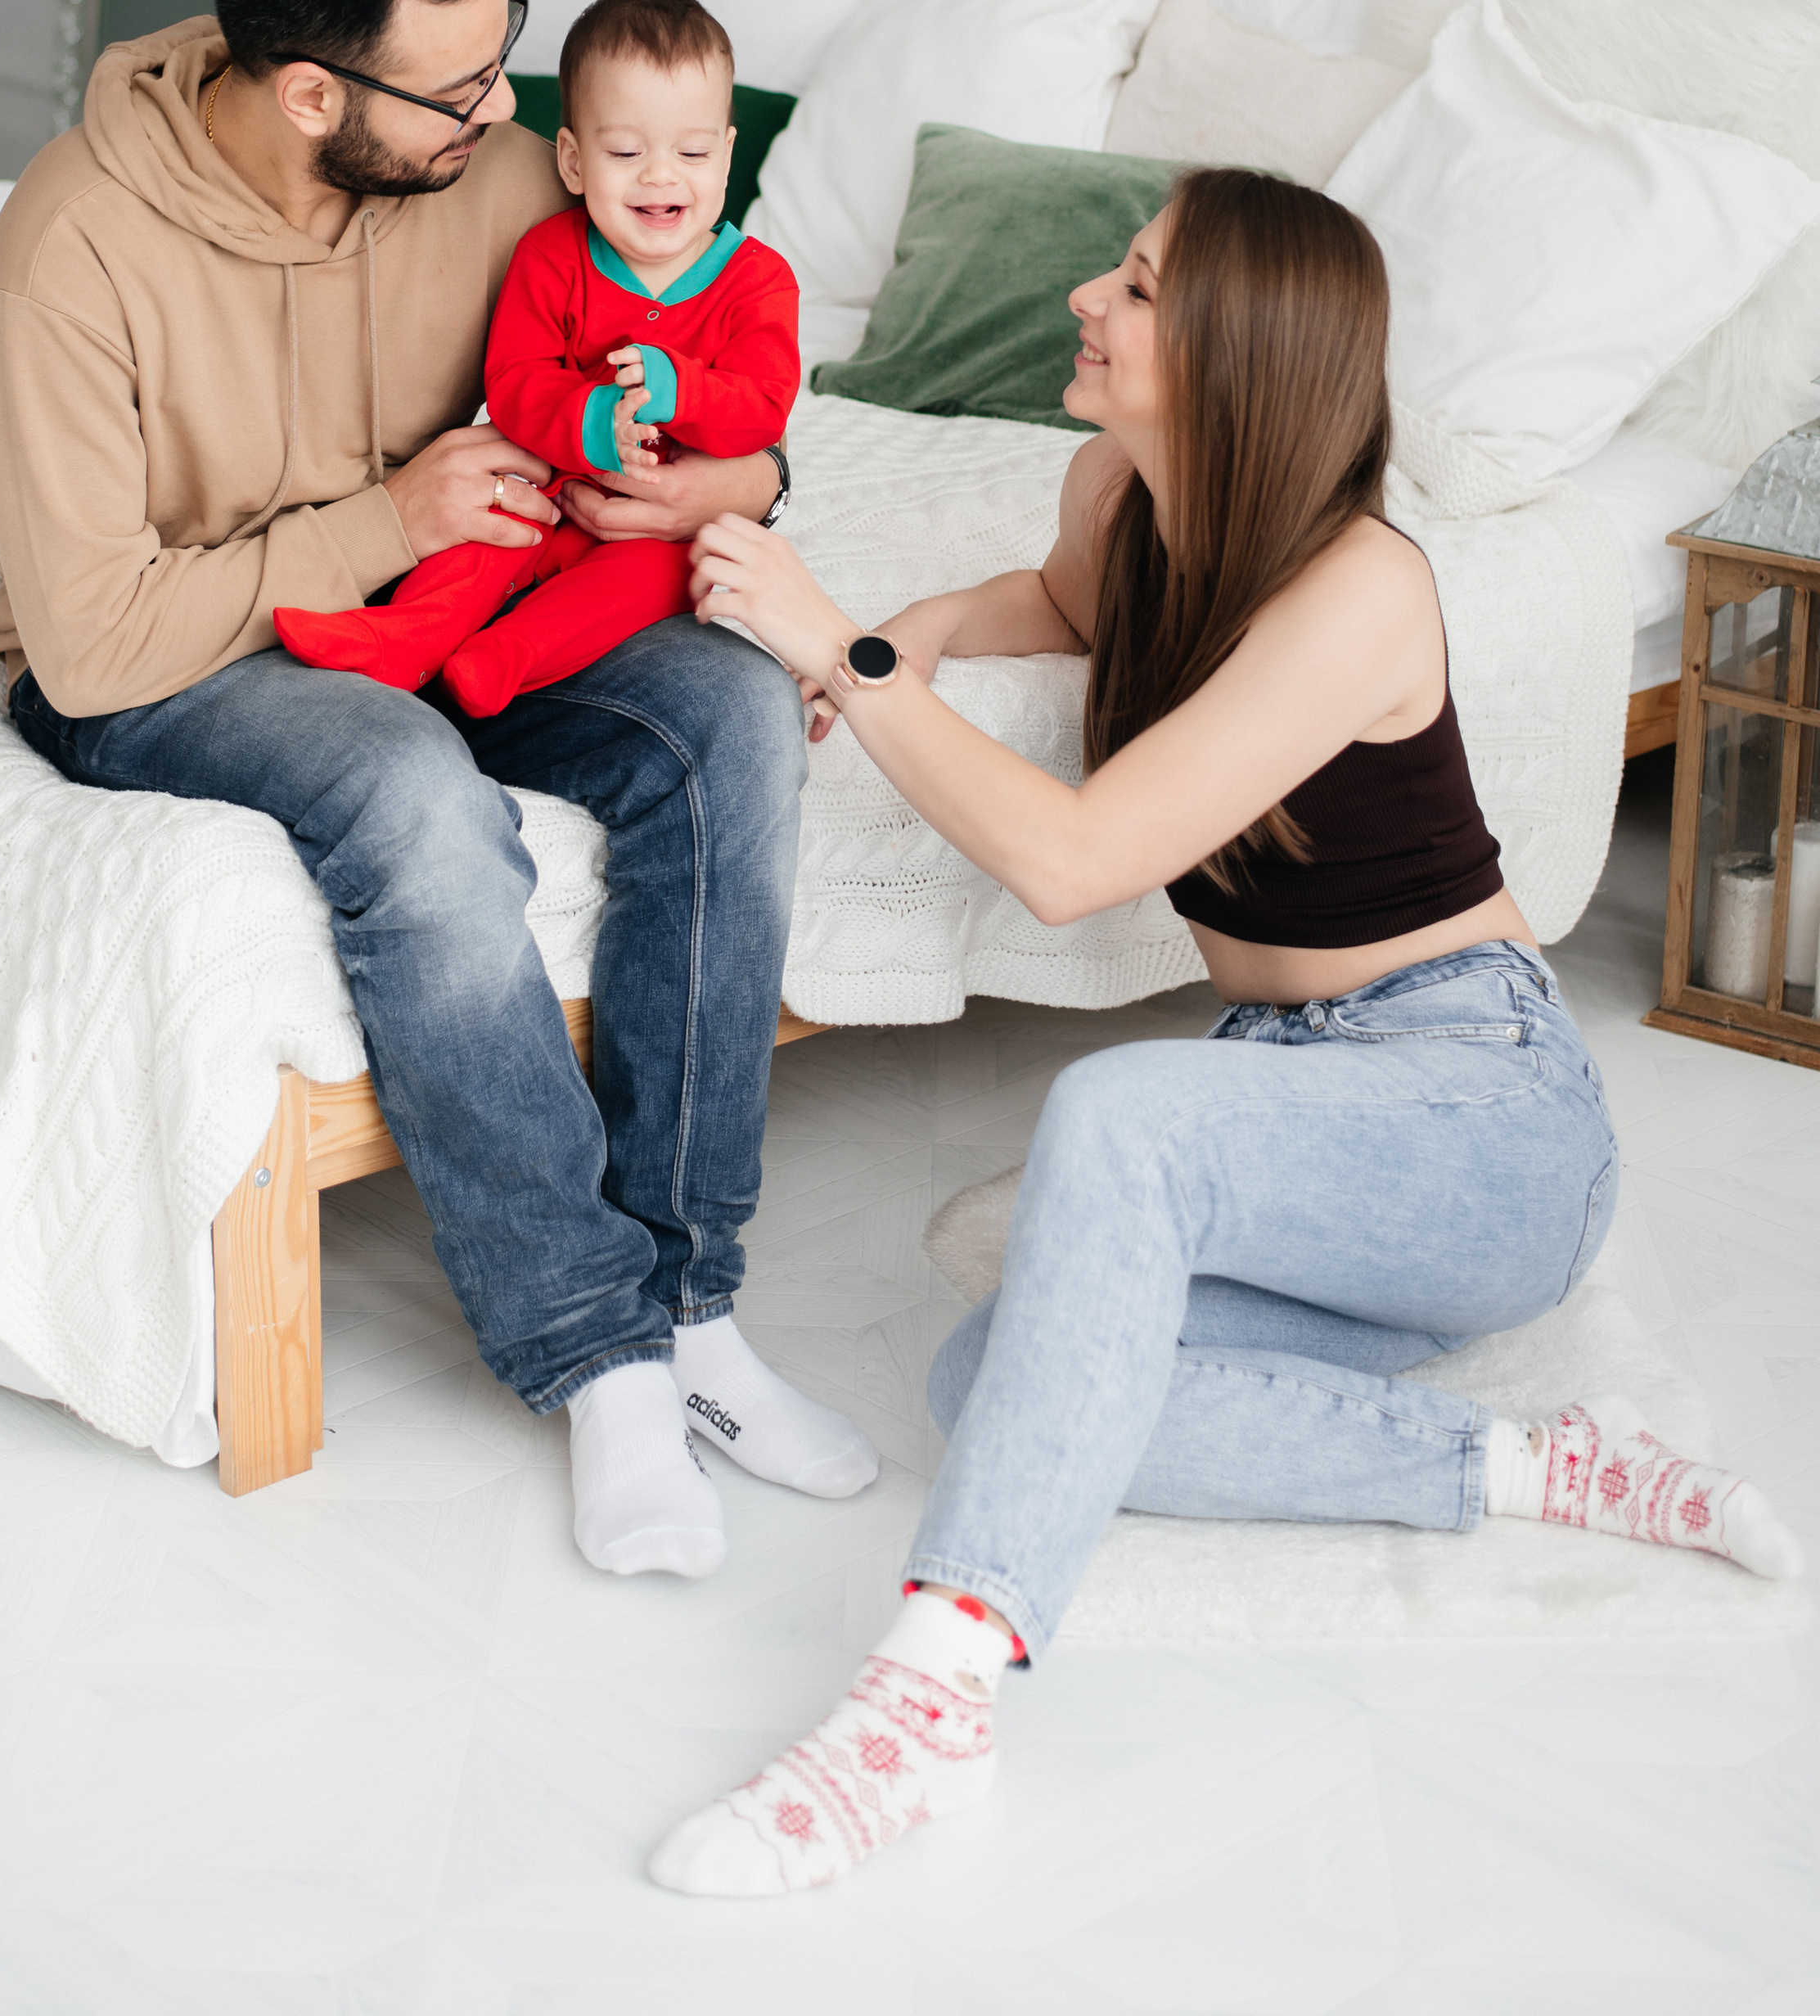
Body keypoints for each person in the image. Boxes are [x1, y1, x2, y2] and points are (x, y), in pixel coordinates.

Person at [655, 166, 1802, 1896]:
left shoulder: (1358, 592)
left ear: (1230, 351)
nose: (1084, 306)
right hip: (1295, 1103)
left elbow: (1073, 861)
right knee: (995, 1376)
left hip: (1477, 1115)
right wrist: (916, 635)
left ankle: (930, 1700)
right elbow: (1055, 602)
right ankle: (1528, 1465)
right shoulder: (1118, 491)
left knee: (1115, 1117)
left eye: (1130, 287)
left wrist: (836, 648)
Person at [0, 0, 875, 1579]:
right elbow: (87, 644)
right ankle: (594, 1350)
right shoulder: (72, 247)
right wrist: (375, 527)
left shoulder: (482, 170)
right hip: (178, 664)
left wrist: (742, 480)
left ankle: (689, 1298)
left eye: (503, 50)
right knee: (406, 791)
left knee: (727, 719)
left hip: (466, 614)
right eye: (462, 86)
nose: (502, 114)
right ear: (314, 93)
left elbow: (675, 356)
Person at [273, 0, 800, 716]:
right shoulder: (553, 252)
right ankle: (404, 637)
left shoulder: (759, 281)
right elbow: (515, 380)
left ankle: (503, 658)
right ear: (575, 161)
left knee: (654, 580)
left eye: (692, 150)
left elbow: (764, 407)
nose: (660, 174)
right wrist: (593, 422)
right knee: (479, 539)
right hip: (547, 481)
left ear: (726, 154)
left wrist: (681, 390)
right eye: (625, 151)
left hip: (659, 526)